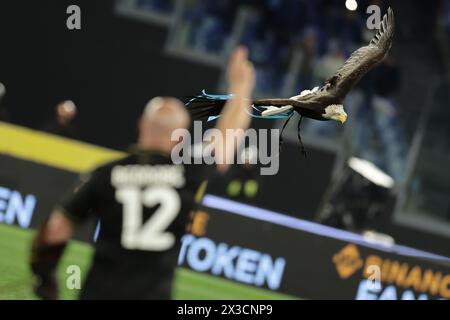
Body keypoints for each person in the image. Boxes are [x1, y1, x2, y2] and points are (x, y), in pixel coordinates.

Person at [29, 47, 255, 300]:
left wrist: (44, 276)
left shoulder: (107, 173)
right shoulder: (188, 173)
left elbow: (57, 227)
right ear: (180, 138)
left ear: (141, 124)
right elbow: (228, 136)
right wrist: (241, 87)